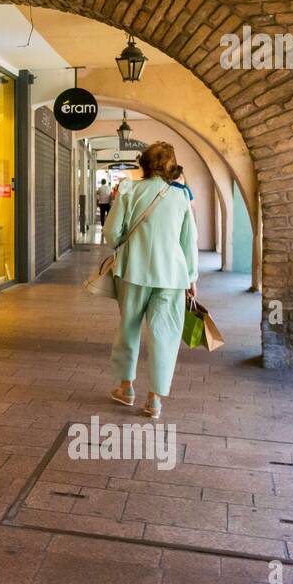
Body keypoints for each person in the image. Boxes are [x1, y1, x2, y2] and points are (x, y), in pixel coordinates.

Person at [104, 142, 198, 419]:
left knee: (128, 327)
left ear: (143, 164)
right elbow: (188, 241)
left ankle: (126, 387)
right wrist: (192, 277)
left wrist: (126, 242)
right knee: (164, 334)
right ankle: (155, 400)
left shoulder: (129, 191)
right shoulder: (181, 196)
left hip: (133, 271)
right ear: (172, 165)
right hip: (172, 275)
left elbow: (111, 235)